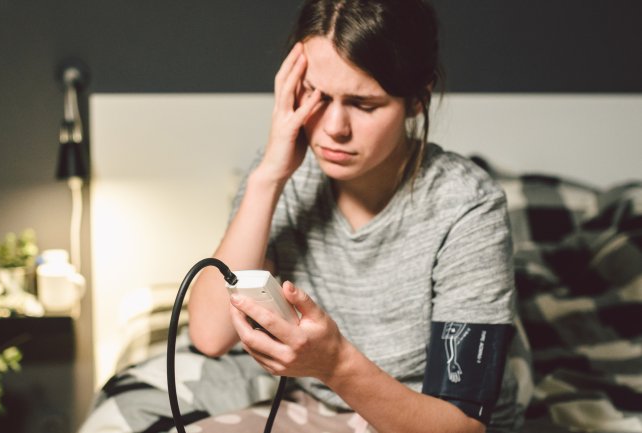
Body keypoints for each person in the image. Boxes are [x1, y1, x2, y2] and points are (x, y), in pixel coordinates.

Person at [187, 0, 528, 432]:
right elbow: (210, 334)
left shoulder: (467, 206)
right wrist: (267, 177)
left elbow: (462, 426)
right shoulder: (280, 176)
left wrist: (335, 364)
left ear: (417, 99)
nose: (334, 127)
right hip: (318, 407)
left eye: (364, 104)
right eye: (316, 95)